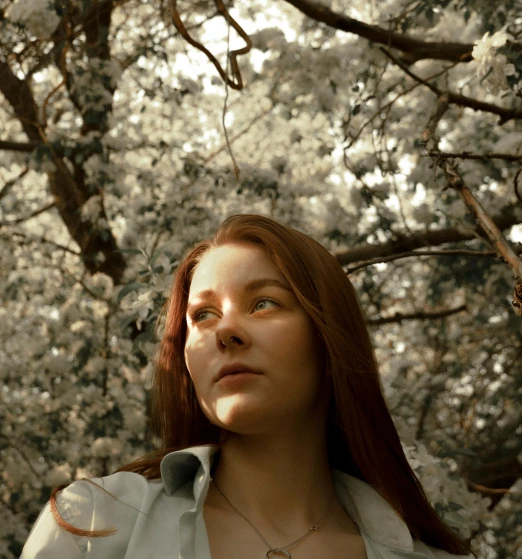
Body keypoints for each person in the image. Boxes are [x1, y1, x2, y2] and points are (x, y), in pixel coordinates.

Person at [20, 214, 476, 558]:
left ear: (329, 335)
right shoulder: (94, 526)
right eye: (202, 315)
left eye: (263, 303)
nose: (226, 332)